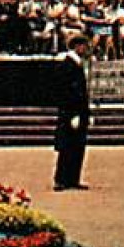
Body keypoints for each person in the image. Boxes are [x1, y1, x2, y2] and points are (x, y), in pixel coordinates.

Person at [53, 37, 91, 191]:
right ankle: (61, 179)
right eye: (83, 46)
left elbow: (82, 93)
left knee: (78, 147)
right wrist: (73, 113)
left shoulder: (78, 64)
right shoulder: (67, 65)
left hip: (79, 112)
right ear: (77, 46)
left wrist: (86, 113)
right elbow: (67, 91)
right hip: (69, 112)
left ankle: (73, 178)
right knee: (67, 147)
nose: (85, 49)